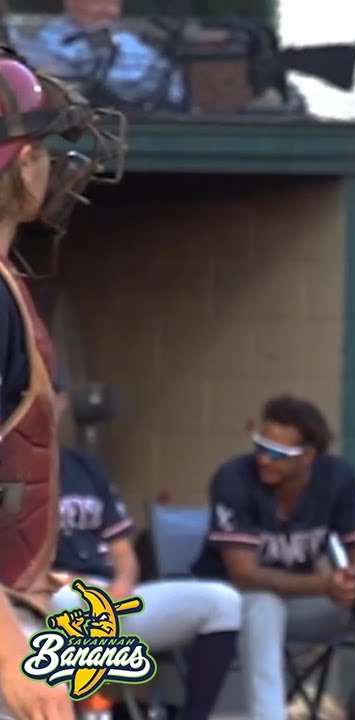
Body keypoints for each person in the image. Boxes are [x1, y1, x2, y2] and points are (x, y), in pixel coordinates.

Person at [0, 48, 125, 720]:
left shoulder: (8, 280)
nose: (57, 165)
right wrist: (11, 659)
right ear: (19, 166)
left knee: (96, 633)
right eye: (45, 148)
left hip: (24, 597)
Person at [189, 395, 355, 720]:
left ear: (309, 457)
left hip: (297, 602)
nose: (264, 459)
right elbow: (243, 574)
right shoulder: (235, 478)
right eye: (260, 445)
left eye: (278, 454)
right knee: (262, 603)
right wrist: (325, 584)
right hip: (231, 605)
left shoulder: (336, 478)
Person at [48, 380, 241, 720]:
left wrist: (122, 585)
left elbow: (121, 548)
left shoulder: (85, 467)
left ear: (61, 402)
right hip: (45, 599)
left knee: (222, 601)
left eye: (50, 396)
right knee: (70, 603)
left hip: (108, 595)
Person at [20, 0, 188, 113]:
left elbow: (173, 92)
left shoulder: (136, 47)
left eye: (114, 3)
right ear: (71, 3)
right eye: (99, 2)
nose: (109, 11)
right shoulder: (39, 44)